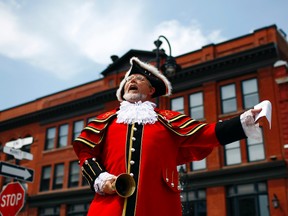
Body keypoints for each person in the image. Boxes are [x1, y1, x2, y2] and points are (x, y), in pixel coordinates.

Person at [73, 56, 263, 216]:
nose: (131, 81)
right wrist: (101, 179)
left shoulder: (168, 120)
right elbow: (85, 154)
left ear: (151, 91)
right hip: (110, 206)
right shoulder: (105, 121)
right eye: (128, 81)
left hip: (158, 205)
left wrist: (244, 121)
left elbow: (206, 134)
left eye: (139, 79)